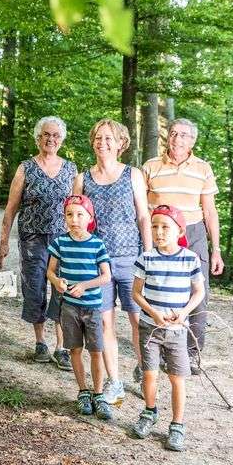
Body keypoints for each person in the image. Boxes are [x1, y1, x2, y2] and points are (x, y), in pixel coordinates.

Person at [74, 119, 151, 406]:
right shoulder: (83, 179)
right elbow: (77, 221)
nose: (102, 143)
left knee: (137, 319)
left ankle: (145, 372)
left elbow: (143, 217)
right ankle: (115, 382)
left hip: (132, 259)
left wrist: (149, 256)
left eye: (109, 138)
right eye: (98, 138)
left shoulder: (133, 175)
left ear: (121, 143)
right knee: (105, 322)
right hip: (98, 264)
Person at [141, 118, 223, 374]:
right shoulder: (150, 166)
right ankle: (158, 348)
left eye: (184, 135)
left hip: (193, 233)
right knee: (157, 290)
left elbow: (210, 212)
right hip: (159, 234)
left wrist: (216, 249)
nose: (177, 139)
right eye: (174, 133)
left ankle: (191, 353)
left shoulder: (203, 168)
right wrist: (147, 243)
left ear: (193, 140)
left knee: (198, 293)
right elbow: (141, 208)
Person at [0, 116, 78, 371]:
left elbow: (79, 207)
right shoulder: (26, 168)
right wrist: (3, 242)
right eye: (46, 134)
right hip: (32, 237)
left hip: (63, 241)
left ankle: (61, 347)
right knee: (34, 287)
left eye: (56, 135)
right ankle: (40, 342)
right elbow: (11, 208)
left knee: (62, 289)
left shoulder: (71, 169)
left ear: (61, 139)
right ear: (38, 138)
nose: (50, 139)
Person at [130, 204, 205, 451]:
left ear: (180, 230)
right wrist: (153, 313)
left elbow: (198, 291)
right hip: (150, 327)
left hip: (177, 331)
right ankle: (149, 412)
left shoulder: (190, 259)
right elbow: (136, 293)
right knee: (149, 373)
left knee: (177, 378)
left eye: (165, 227)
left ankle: (177, 425)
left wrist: (183, 313)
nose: (159, 232)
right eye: (155, 226)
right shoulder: (146, 258)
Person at [46, 195, 113, 420]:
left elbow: (106, 276)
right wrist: (57, 282)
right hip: (69, 307)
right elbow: (50, 271)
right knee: (75, 349)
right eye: (69, 214)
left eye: (79, 215)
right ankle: (83, 391)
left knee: (96, 351)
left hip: (92, 307)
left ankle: (99, 394)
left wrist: (84, 285)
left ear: (90, 218)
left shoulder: (97, 244)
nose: (74, 219)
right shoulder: (60, 243)